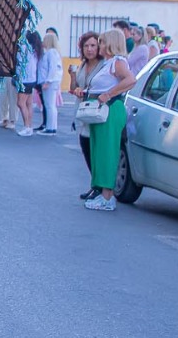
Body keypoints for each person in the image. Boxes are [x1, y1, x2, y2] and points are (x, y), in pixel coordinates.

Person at [73, 29, 136, 211]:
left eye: (101, 42)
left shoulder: (117, 62)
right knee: (99, 152)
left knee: (107, 152)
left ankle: (108, 197)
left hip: (110, 109)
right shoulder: (108, 63)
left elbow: (130, 80)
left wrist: (109, 94)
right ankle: (101, 192)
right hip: (100, 110)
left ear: (110, 43)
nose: (98, 46)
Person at [36, 28, 64, 136]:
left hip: (50, 83)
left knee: (49, 105)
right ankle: (50, 127)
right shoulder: (51, 52)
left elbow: (52, 69)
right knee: (50, 105)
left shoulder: (51, 53)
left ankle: (50, 128)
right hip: (50, 82)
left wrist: (48, 81)